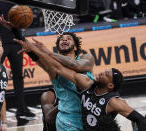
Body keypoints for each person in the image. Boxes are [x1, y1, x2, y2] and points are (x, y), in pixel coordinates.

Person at [14, 38, 146, 131]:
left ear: (110, 85)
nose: (101, 73)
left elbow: (140, 119)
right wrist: (31, 49)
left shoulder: (113, 101)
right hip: (71, 123)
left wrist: (47, 52)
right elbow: (58, 68)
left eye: (106, 74)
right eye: (104, 71)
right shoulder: (87, 84)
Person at [14, 32, 94, 131]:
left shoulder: (86, 58)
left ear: (75, 48)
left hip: (91, 117)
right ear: (58, 48)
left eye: (68, 38)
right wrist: (15, 29)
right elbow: (35, 56)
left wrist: (49, 53)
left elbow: (76, 65)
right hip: (68, 121)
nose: (64, 40)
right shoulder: (53, 67)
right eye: (62, 39)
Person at [0, 0, 35, 118]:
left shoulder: (15, 2)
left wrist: (22, 39)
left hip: (16, 42)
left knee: (18, 77)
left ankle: (22, 109)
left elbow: (21, 21)